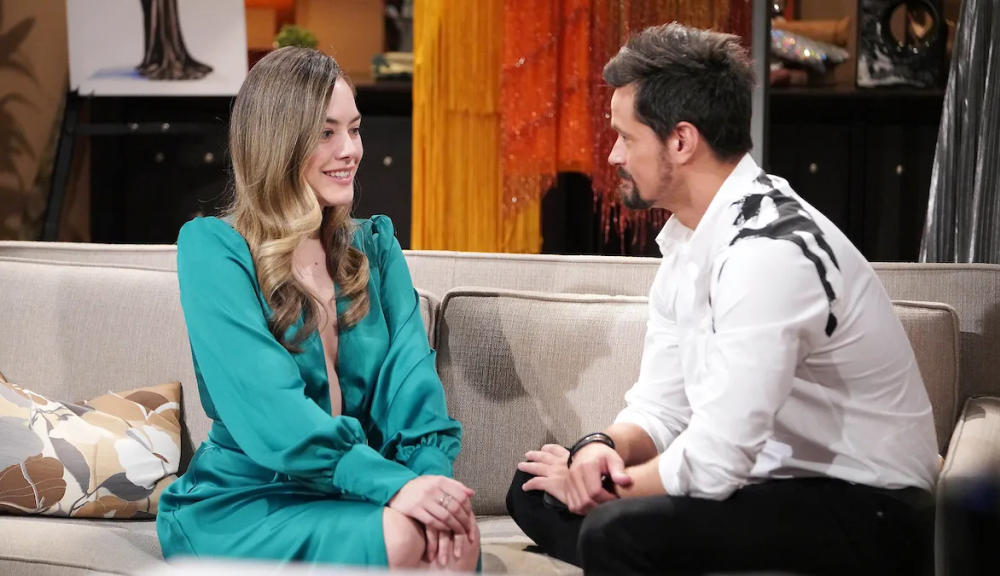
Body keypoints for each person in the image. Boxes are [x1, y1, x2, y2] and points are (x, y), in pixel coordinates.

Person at [506, 23, 939, 576]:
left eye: (626, 137)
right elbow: (662, 409)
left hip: (867, 504)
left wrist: (606, 490)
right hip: (767, 488)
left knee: (615, 530)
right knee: (532, 491)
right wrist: (596, 449)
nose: (613, 155)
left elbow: (717, 459)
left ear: (681, 141)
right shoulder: (689, 242)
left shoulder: (769, 254)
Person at [156, 47, 480, 572]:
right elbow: (269, 408)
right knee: (402, 538)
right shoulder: (213, 250)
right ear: (279, 143)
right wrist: (394, 487)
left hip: (355, 493)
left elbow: (413, 392)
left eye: (354, 129)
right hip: (247, 500)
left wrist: (431, 487)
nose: (350, 149)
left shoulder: (374, 247)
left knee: (456, 540)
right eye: (326, 133)